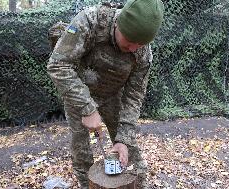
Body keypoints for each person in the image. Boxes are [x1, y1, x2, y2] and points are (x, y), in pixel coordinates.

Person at [47, 0, 164, 188]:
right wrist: (87, 109)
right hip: (78, 95)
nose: (134, 48)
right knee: (82, 153)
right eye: (130, 40)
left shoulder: (142, 53)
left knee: (130, 153)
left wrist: (123, 139)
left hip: (112, 95)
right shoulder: (89, 22)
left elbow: (134, 96)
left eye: (141, 43)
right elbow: (58, 65)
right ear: (118, 23)